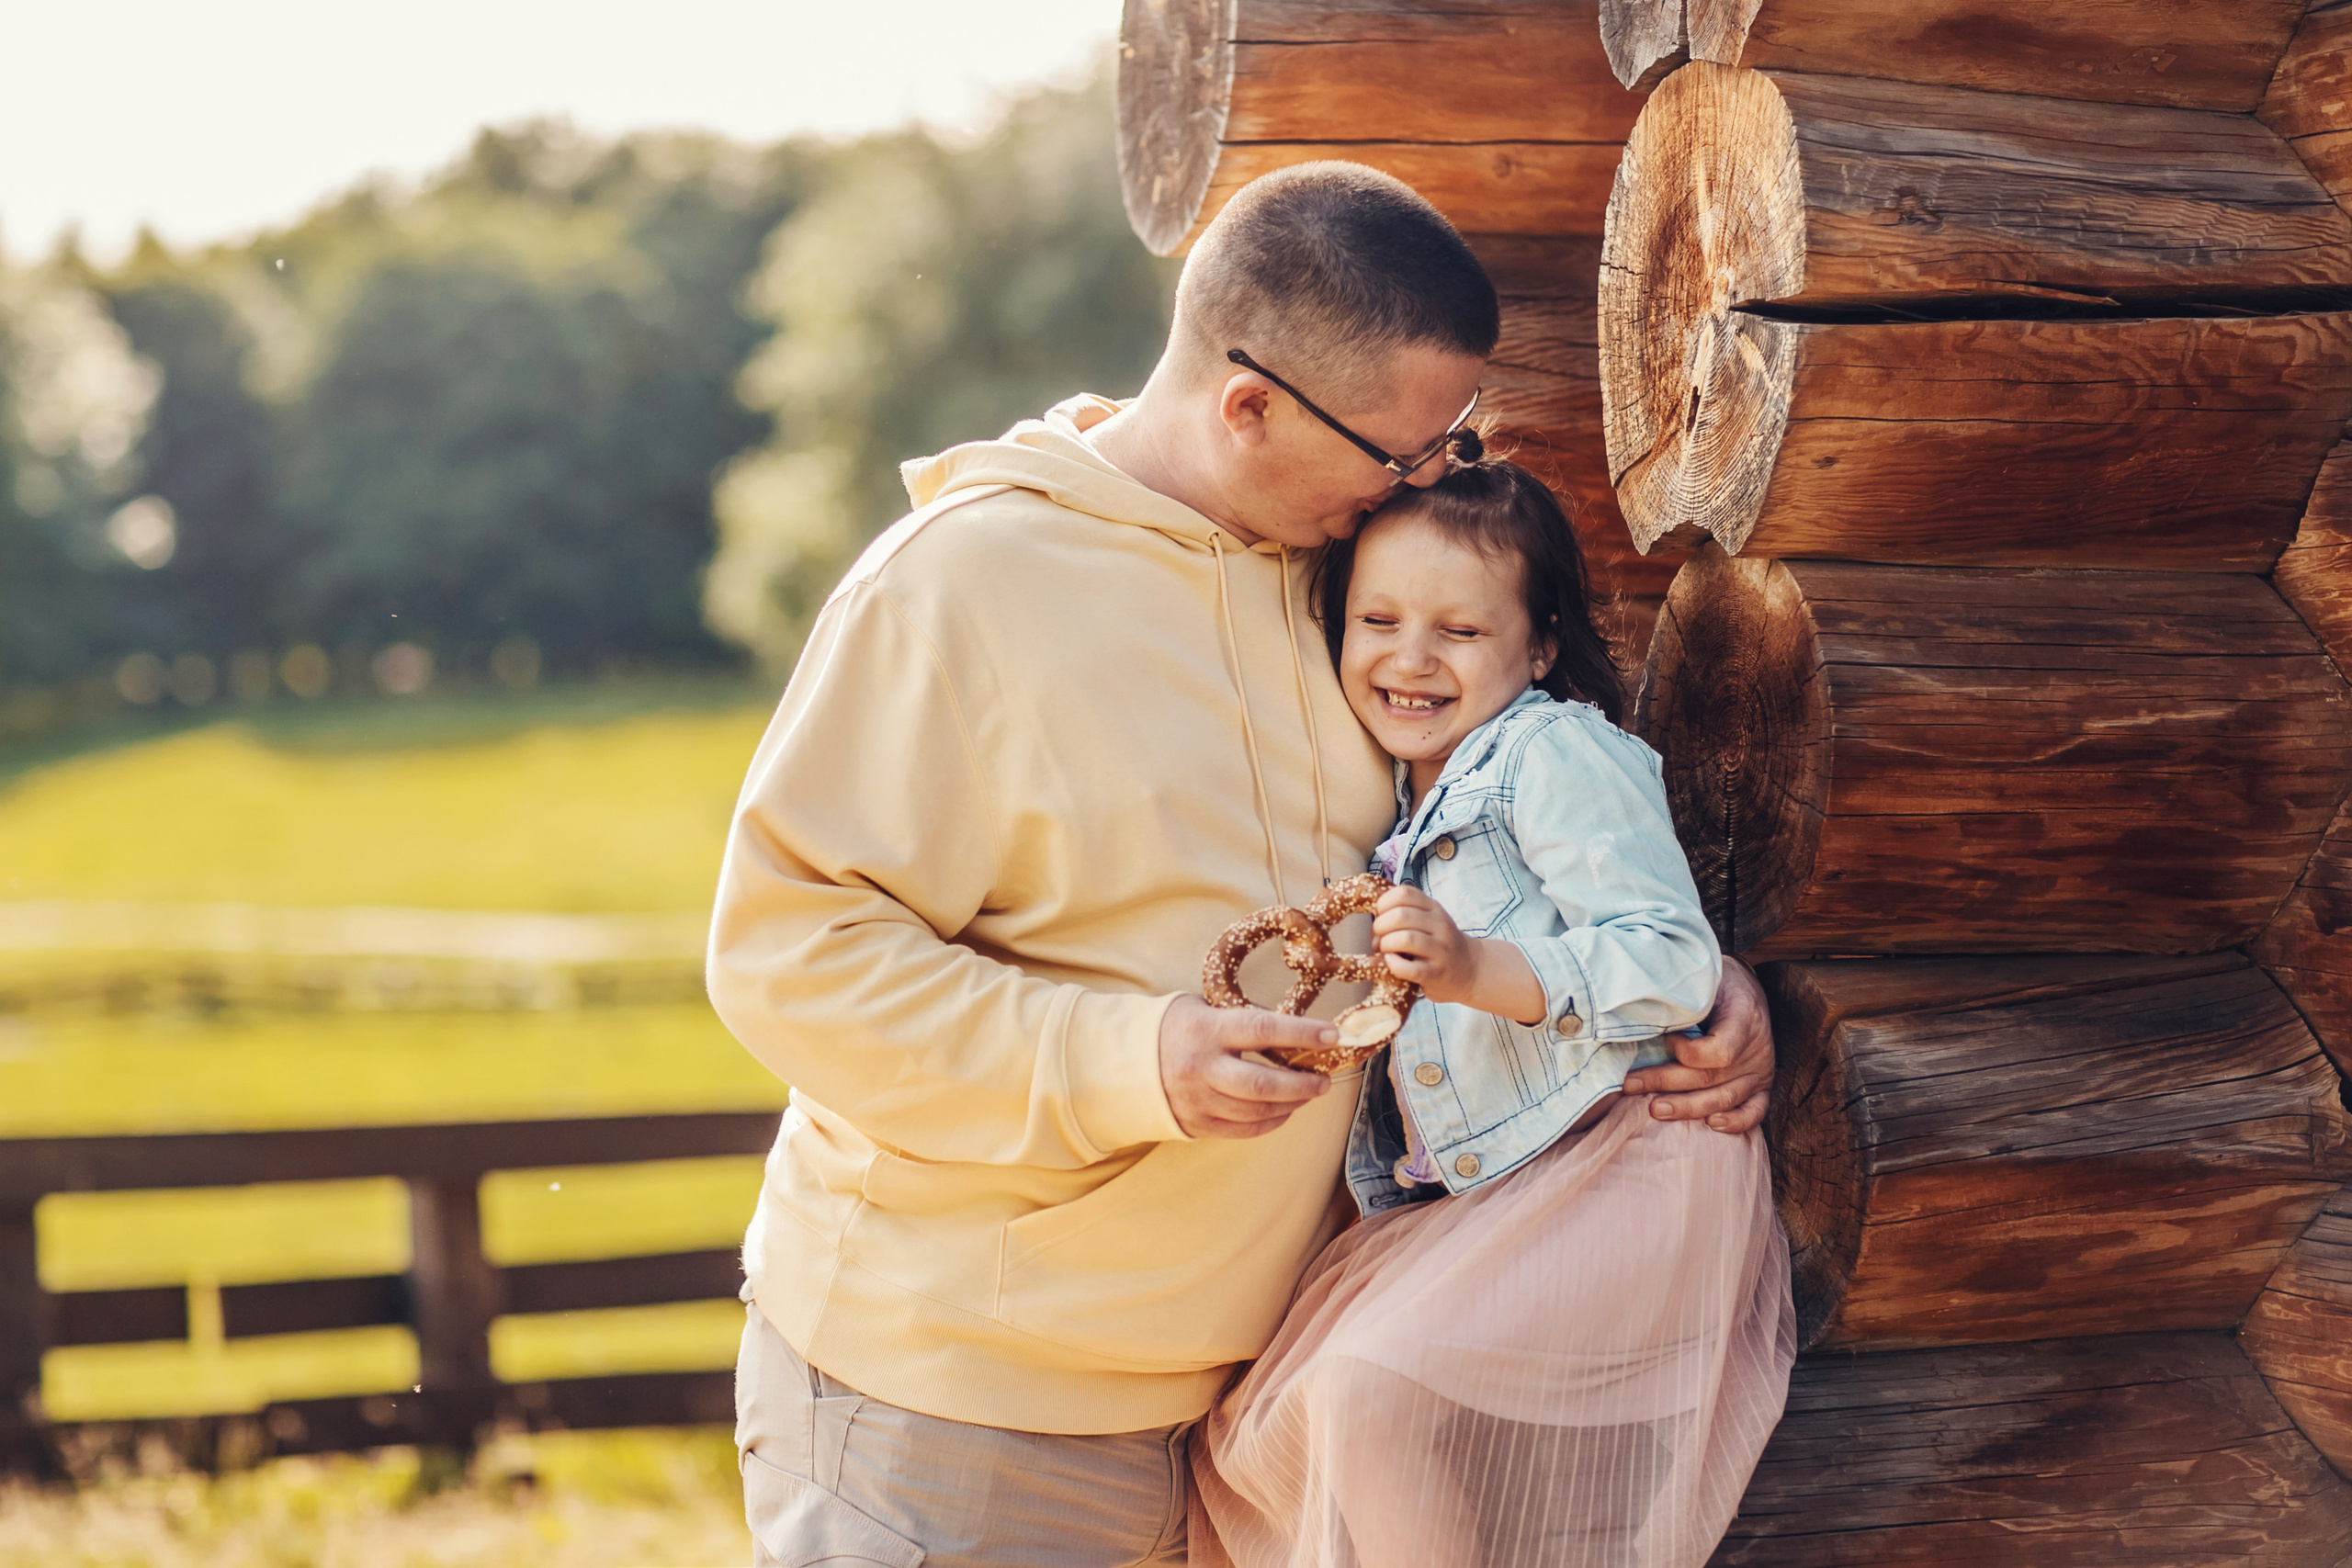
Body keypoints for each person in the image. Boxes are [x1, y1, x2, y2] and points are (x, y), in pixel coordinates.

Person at [706, 162, 1777, 1568]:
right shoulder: (955, 589)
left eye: (1449, 447)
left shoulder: (1347, 578)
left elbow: (1481, 843)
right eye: (1398, 452)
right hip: (958, 1408)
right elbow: (789, 956)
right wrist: (1131, 1058)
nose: (1424, 481)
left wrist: (1682, 982)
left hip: (1260, 1405)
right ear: (1250, 403)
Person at [1189, 458, 1795, 1568]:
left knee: (1365, 1393)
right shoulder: (1399, 790)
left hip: (1624, 1167)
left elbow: (1672, 958)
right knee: (1256, 1437)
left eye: (1459, 632)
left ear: (1540, 649)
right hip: (1491, 1189)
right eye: (1377, 619)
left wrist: (1478, 970)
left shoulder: (1550, 752)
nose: (1409, 658)